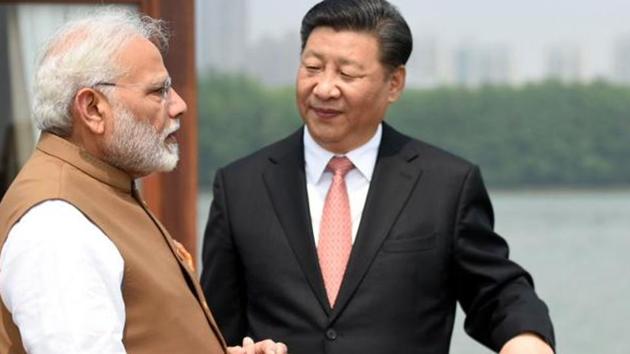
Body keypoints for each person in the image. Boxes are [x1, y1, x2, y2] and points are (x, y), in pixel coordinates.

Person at [200, 0, 555, 353]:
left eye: (347, 74)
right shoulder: (240, 186)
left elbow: (497, 293)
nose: (324, 88)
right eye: (312, 67)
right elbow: (210, 326)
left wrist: (526, 338)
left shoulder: (445, 185)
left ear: (394, 83)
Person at [0, 8, 286, 354]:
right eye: (158, 91)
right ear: (92, 108)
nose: (178, 105)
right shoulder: (55, 224)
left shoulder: (99, 187)